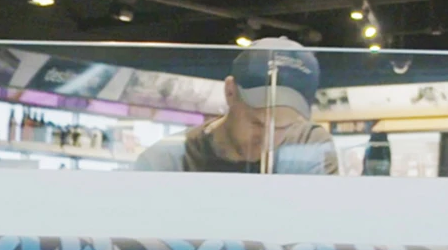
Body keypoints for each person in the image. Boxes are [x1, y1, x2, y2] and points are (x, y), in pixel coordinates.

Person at [134, 38, 339, 174]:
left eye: (282, 127)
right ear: (230, 92)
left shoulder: (309, 144)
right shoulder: (168, 160)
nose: (266, 139)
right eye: (257, 123)